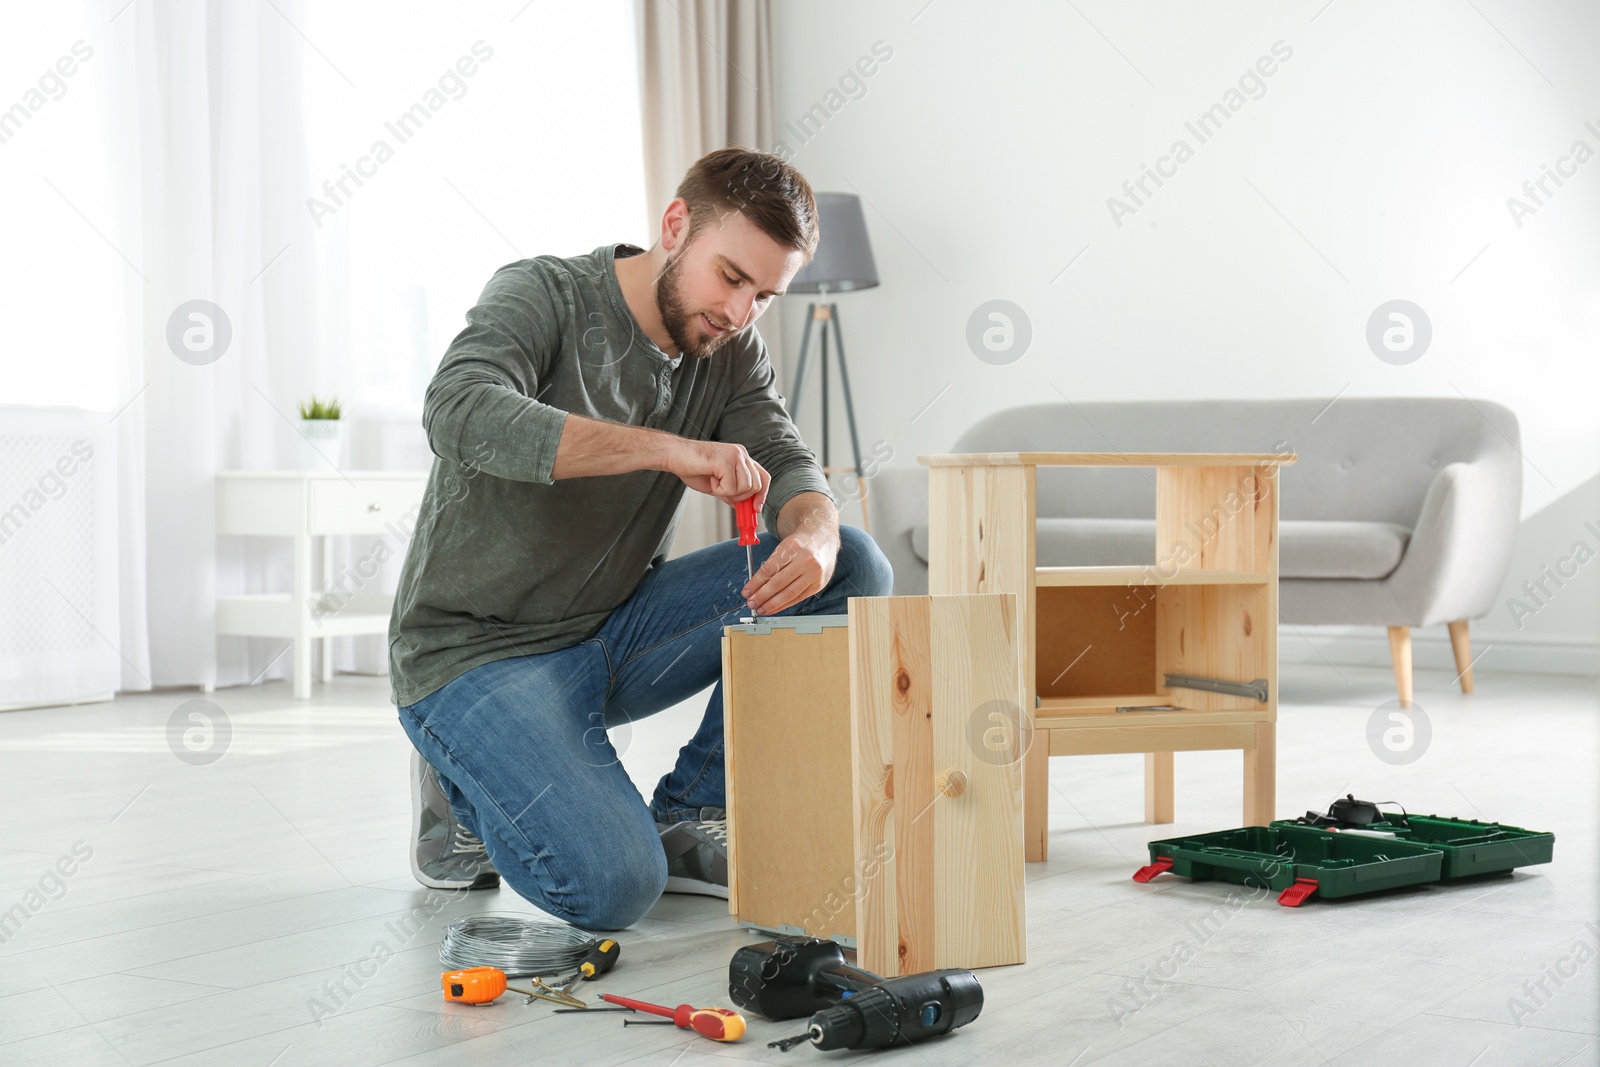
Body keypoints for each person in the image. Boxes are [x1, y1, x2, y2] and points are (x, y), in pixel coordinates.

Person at [389, 147, 894, 930]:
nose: (739, 313)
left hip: (611, 630)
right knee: (615, 888)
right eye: (730, 277)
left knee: (855, 562)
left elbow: (789, 459)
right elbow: (458, 410)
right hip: (474, 653)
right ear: (674, 225)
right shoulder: (543, 293)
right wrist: (664, 447)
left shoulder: (730, 353)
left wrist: (818, 536)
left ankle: (692, 808)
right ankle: (460, 772)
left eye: (765, 295)